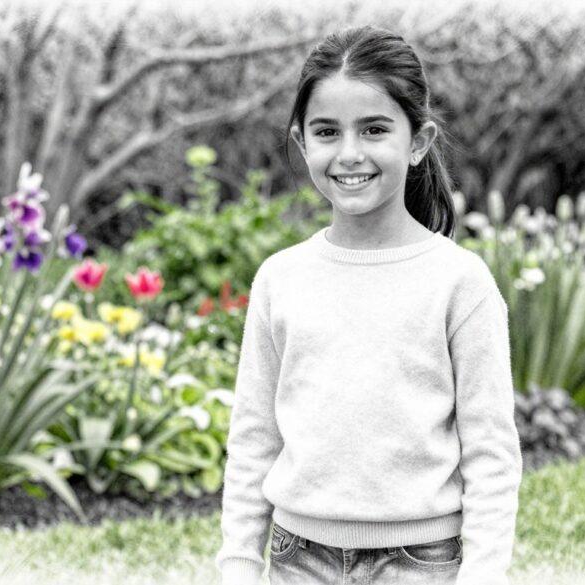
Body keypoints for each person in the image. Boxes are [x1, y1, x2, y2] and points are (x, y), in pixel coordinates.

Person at [215, 25, 523, 585]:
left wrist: (484, 574)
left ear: (418, 141)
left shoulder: (460, 282)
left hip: (424, 560)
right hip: (296, 559)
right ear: (302, 141)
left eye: (375, 129)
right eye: (327, 131)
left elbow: (491, 454)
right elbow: (254, 435)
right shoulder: (280, 279)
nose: (349, 153)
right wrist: (238, 561)